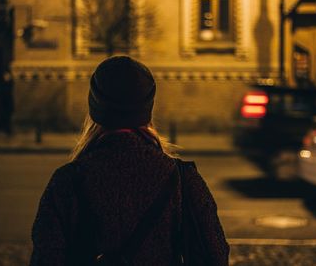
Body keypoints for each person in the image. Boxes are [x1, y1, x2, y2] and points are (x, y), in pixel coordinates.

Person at [29, 56, 229, 266]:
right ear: (147, 109)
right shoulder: (181, 180)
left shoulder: (67, 181)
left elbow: (46, 257)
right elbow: (214, 256)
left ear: (94, 109)